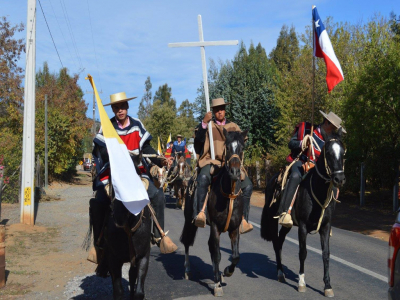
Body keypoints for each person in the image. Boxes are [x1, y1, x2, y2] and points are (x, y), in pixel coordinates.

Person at [90, 92, 177, 259]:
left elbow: (147, 149)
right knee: (98, 201)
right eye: (116, 107)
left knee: (158, 196)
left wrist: (161, 161)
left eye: (123, 106)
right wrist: (116, 155)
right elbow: (100, 149)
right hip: (113, 173)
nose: (120, 110)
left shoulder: (137, 125)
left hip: (137, 173)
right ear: (113, 109)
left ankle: (158, 235)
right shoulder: (107, 127)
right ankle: (98, 244)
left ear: (127, 107)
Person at [276, 110, 346, 228]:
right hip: (302, 161)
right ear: (327, 123)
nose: (333, 130)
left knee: (333, 187)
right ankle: (285, 211)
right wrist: (302, 143)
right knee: (295, 176)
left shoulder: (332, 140)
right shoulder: (307, 129)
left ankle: (325, 220)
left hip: (321, 170)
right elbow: (291, 144)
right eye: (333, 127)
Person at [193, 98, 253, 234]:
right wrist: (204, 122)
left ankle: (243, 219)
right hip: (212, 161)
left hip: (231, 163)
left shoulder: (234, 126)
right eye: (217, 109)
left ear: (225, 110)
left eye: (222, 109)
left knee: (248, 186)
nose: (220, 112)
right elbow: (198, 142)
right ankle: (200, 213)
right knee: (202, 178)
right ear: (213, 111)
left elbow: (242, 142)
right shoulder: (209, 126)